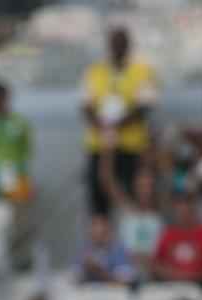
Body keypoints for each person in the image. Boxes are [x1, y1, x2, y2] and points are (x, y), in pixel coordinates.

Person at [81, 27, 159, 215]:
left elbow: (145, 106)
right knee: (100, 197)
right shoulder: (95, 72)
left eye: (122, 43)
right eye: (114, 43)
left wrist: (117, 124)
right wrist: (102, 125)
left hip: (131, 146)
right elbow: (86, 106)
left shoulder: (143, 71)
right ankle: (102, 229)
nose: (118, 48)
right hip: (100, 145)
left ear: (128, 46)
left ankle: (133, 226)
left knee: (133, 196)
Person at [152, 192, 202, 286]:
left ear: (193, 209)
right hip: (172, 285)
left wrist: (200, 275)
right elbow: (156, 263)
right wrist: (172, 275)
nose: (184, 213)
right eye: (180, 209)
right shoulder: (168, 234)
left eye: (188, 209)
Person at [74, 213, 134, 284]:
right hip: (88, 289)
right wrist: (86, 268)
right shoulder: (85, 249)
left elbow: (125, 279)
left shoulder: (118, 250)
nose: (96, 231)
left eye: (101, 230)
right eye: (93, 227)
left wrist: (100, 271)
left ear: (108, 230)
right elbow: (75, 275)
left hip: (110, 290)